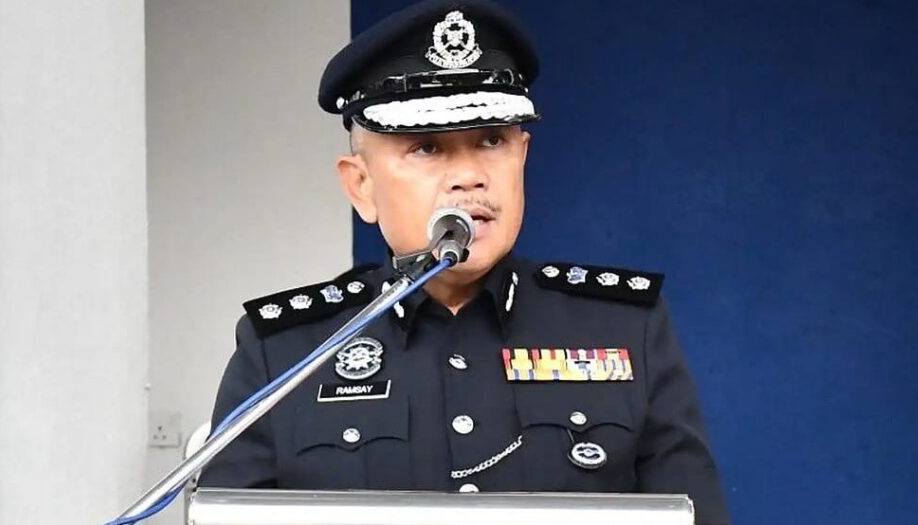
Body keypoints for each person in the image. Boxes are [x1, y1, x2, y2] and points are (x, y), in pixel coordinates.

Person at [199, 0, 730, 523]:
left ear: (522, 156)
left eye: (492, 141)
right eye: (427, 149)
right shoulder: (287, 351)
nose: (469, 177)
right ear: (361, 186)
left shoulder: (623, 327)